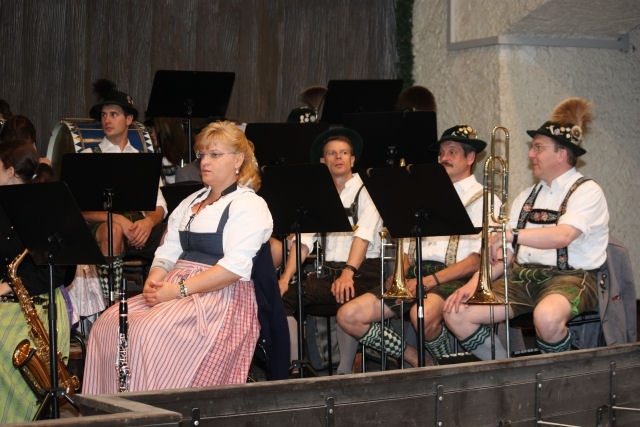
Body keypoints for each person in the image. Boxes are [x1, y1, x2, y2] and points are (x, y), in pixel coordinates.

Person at [83, 120, 273, 392]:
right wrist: (154, 281)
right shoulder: (190, 201)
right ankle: (111, 408)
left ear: (238, 159)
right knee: (106, 324)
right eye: (202, 155)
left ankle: (151, 407)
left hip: (218, 298)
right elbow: (168, 250)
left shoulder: (249, 204)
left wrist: (178, 290)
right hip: (174, 287)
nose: (205, 162)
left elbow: (233, 269)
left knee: (146, 331)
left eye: (214, 155)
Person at [444, 98, 609, 359]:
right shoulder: (526, 197)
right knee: (456, 313)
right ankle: (506, 370)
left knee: (547, 317)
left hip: (572, 278)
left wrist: (511, 234)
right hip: (523, 278)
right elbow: (506, 256)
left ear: (562, 154)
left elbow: (563, 235)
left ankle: (559, 377)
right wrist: (475, 284)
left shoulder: (587, 191)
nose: (531, 154)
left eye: (538, 148)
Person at [337, 125, 491, 367]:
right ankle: (419, 360)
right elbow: (408, 246)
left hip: (455, 278)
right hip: (415, 276)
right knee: (348, 316)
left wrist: (429, 281)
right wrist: (401, 274)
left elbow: (477, 260)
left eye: (452, 152)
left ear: (470, 157)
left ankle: (447, 366)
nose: (444, 158)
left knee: (423, 316)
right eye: (441, 153)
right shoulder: (423, 194)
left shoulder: (485, 199)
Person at [278, 127, 383, 375]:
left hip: (363, 271)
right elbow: (304, 242)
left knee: (346, 294)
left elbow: (363, 237)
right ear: (323, 161)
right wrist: (284, 278)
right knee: (281, 299)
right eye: (332, 153)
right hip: (329, 272)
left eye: (344, 153)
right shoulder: (319, 194)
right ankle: (296, 369)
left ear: (352, 160)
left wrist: (348, 272)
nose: (338, 157)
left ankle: (344, 372)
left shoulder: (367, 191)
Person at [0, 139, 75, 422]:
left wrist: (6, 286)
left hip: (37, 300)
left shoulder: (42, 206)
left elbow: (58, 271)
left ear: (10, 171)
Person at [81, 79, 168, 299]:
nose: (107, 120)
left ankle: (160, 298)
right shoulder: (89, 157)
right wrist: (117, 219)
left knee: (173, 233)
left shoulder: (142, 159)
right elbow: (80, 210)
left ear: (129, 119)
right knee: (113, 230)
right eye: (104, 115)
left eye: (114, 114)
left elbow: (160, 205)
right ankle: (109, 303)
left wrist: (148, 223)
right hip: (102, 228)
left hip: (139, 227)